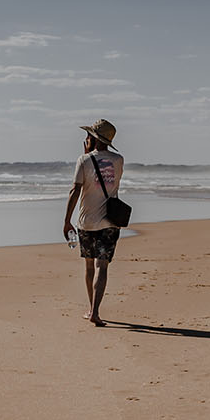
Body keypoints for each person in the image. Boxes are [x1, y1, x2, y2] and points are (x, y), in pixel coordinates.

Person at [62, 118, 125, 326]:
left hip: (86, 221)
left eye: (88, 135)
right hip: (110, 220)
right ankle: (94, 311)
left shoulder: (84, 160)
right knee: (102, 266)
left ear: (93, 138)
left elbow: (75, 190)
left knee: (90, 266)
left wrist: (66, 221)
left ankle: (92, 310)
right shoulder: (118, 160)